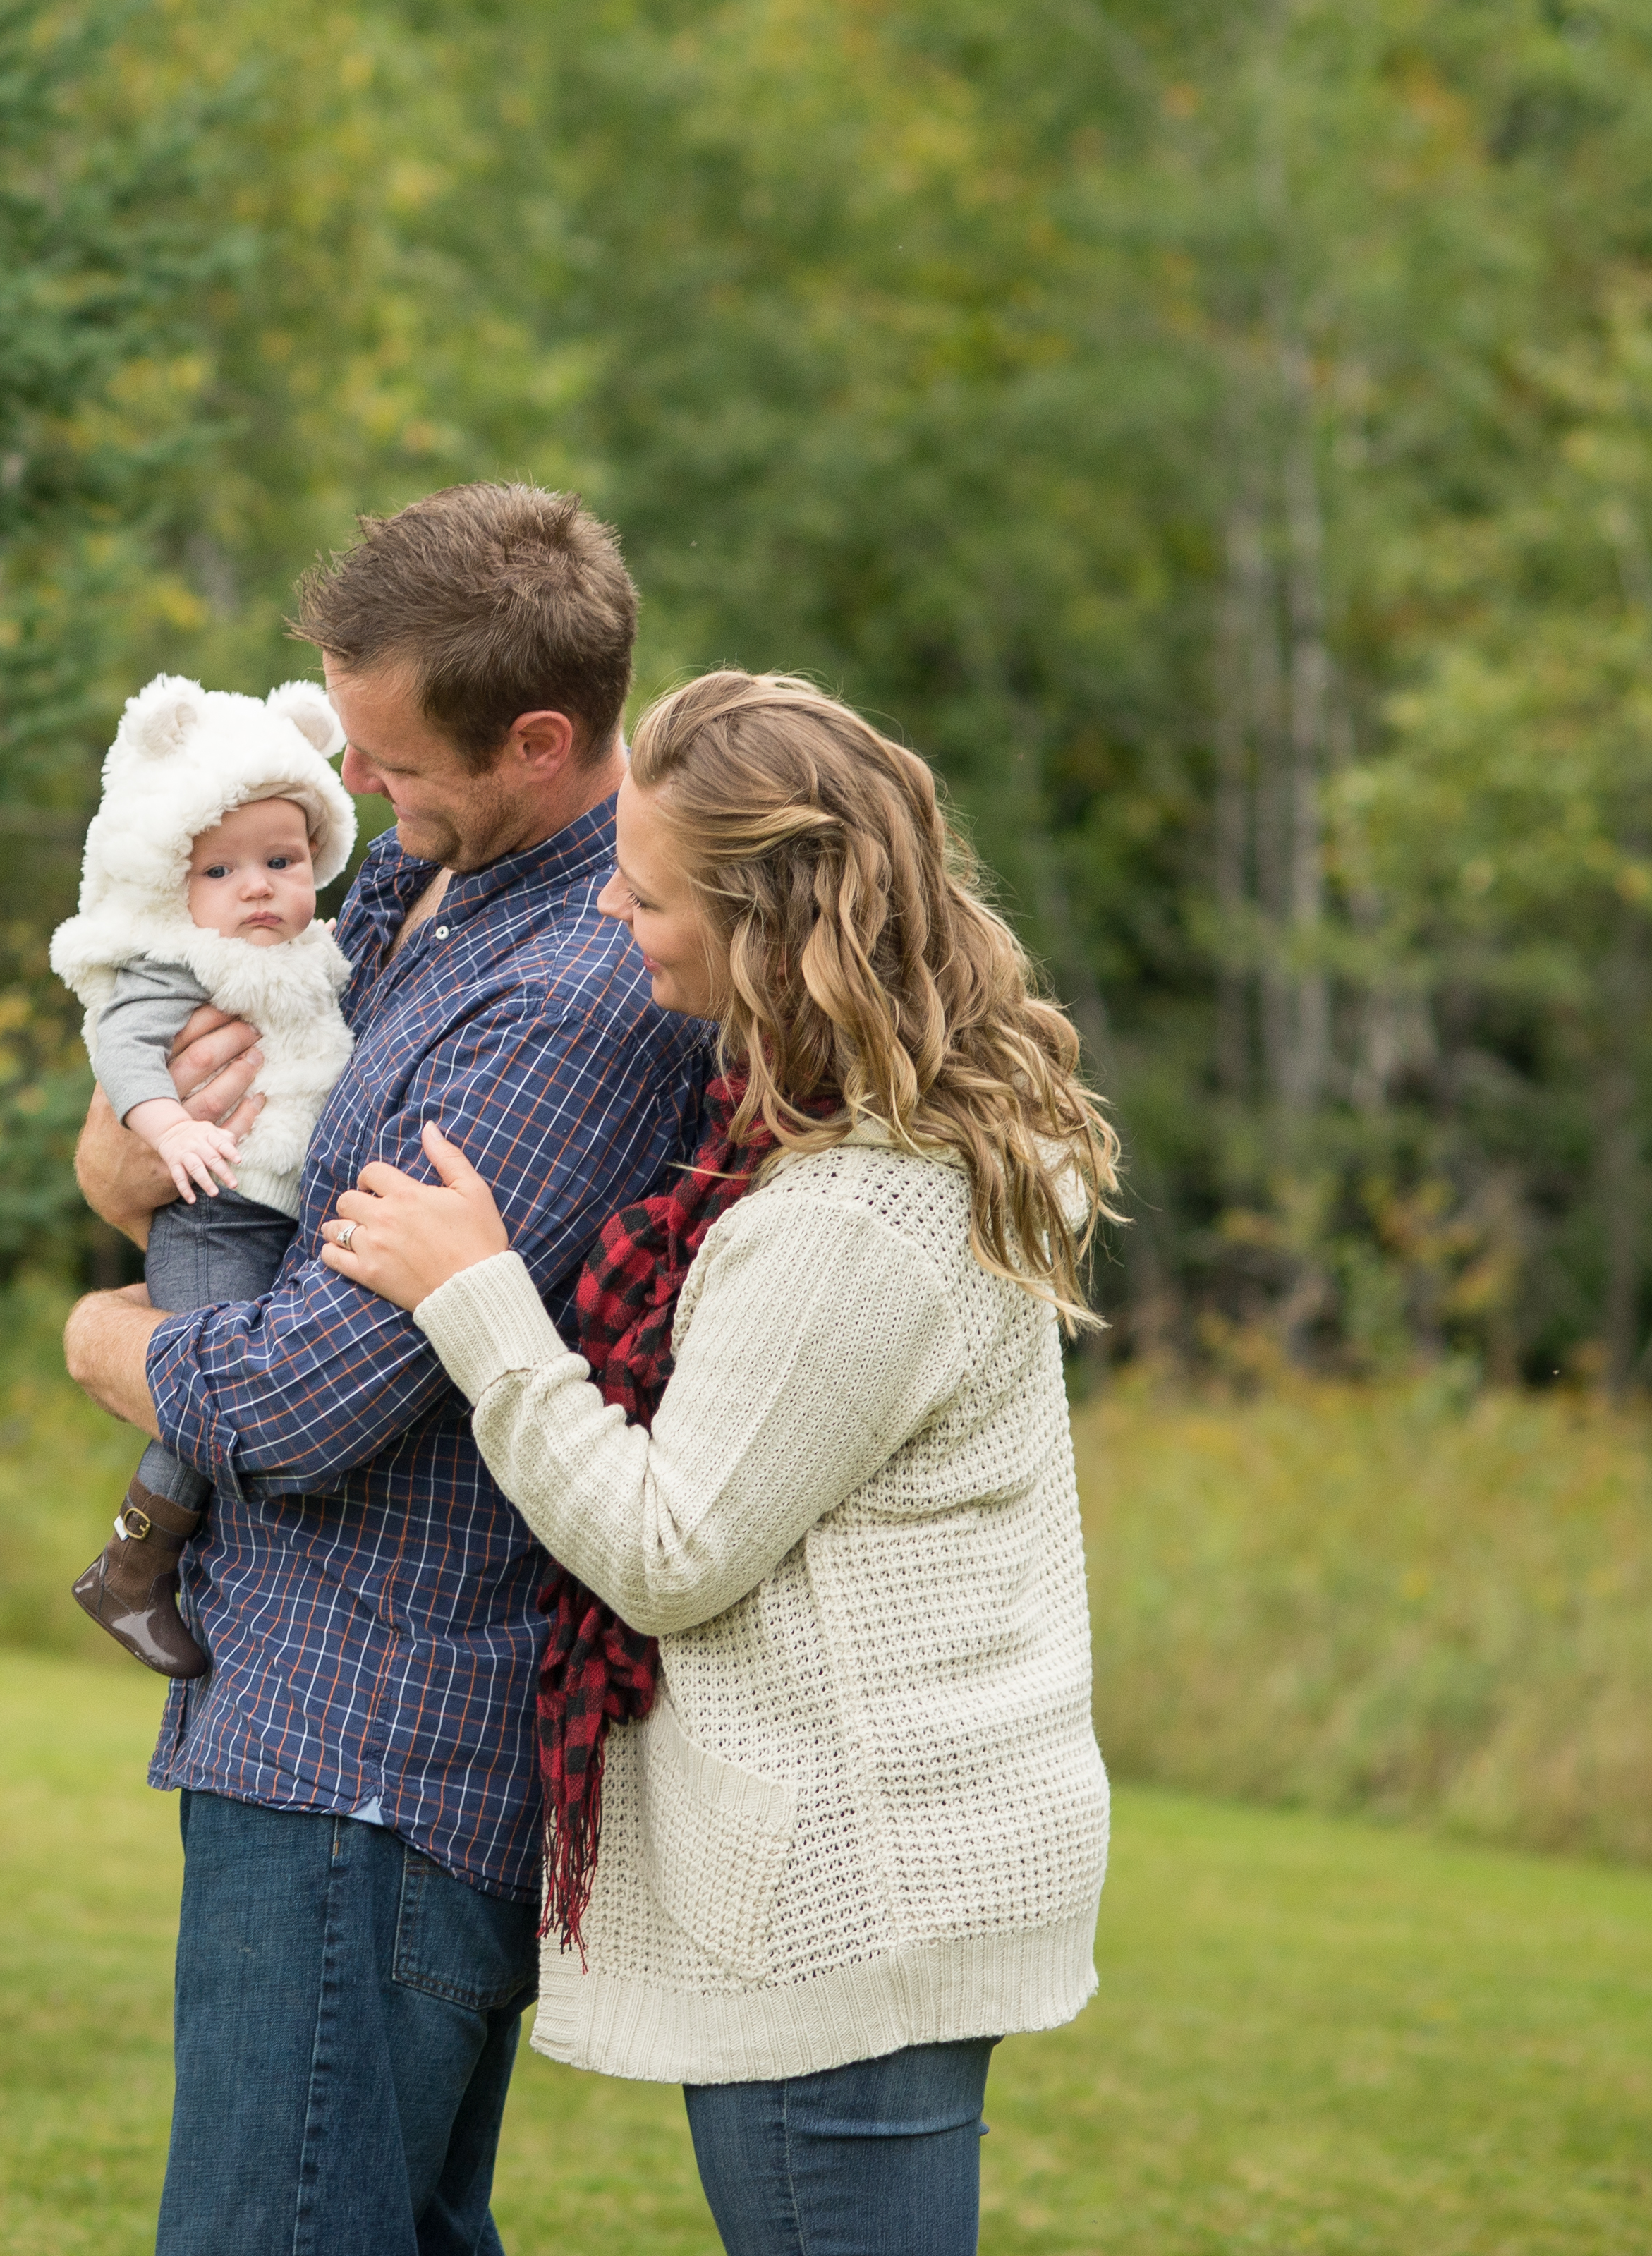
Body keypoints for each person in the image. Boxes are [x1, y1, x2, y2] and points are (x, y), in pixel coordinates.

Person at [317, 668, 1120, 2256]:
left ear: (769, 924)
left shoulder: (850, 1219)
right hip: (880, 1859)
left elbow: (668, 1552)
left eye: (648, 885)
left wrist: (476, 1300)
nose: (608, 901)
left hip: (850, 1886)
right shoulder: (822, 1139)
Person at [60, 484, 719, 2256]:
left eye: (394, 762)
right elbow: (184, 1124)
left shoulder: (574, 996)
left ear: (537, 738)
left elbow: (305, 1401)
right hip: (302, 1719)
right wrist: (119, 1158)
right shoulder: (429, 883)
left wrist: (102, 1335)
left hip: (381, 1748)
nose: (360, 802)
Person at [46, 672, 365, 1676]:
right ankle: (131, 1569)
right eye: (223, 871)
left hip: (277, 1217)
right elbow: (124, 1048)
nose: (259, 887)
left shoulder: (322, 951)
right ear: (178, 886)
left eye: (281, 859)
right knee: (203, 1393)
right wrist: (165, 1130)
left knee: (229, 1380)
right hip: (213, 1211)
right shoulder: (177, 963)